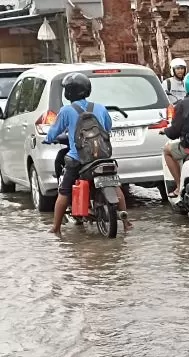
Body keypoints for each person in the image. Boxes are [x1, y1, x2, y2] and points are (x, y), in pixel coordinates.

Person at [45, 73, 129, 236]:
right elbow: (107, 127)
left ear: (69, 92)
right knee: (116, 185)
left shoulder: (66, 110)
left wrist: (48, 140)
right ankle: (126, 223)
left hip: (79, 159)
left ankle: (56, 227)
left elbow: (52, 134)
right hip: (103, 156)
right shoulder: (100, 108)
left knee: (64, 191)